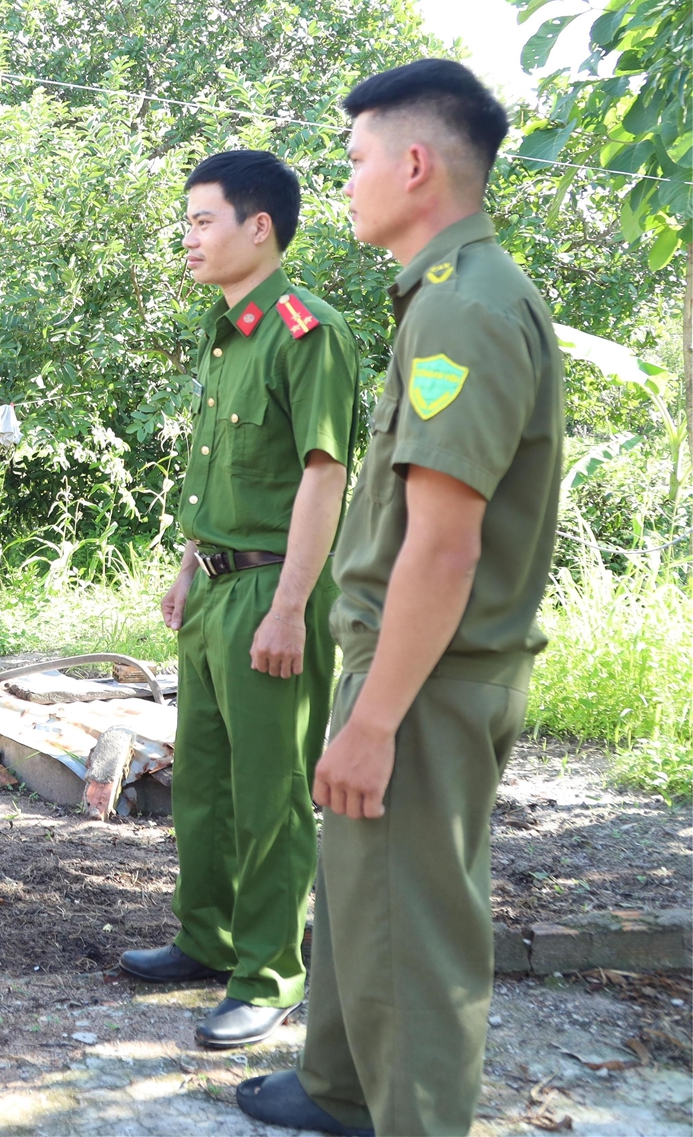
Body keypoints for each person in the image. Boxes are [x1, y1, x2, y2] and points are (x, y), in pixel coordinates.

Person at [236, 60, 563, 1136]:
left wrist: (374, 718)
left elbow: (444, 552)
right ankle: (341, 1086)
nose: (346, 183)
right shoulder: (446, 293)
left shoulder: (464, 310)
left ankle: (413, 1116)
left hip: (424, 673)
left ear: (416, 165)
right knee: (364, 880)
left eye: (357, 159)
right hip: (404, 658)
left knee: (412, 916)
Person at [119, 150, 361, 1048]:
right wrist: (190, 562)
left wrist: (292, 605)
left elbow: (322, 473)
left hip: (273, 589)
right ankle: (207, 938)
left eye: (201, 219)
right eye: (186, 220)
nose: (187, 236)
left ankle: (268, 973)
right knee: (208, 785)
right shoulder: (227, 334)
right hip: (218, 585)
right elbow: (219, 467)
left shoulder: (308, 331)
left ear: (258, 228)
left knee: (271, 792)